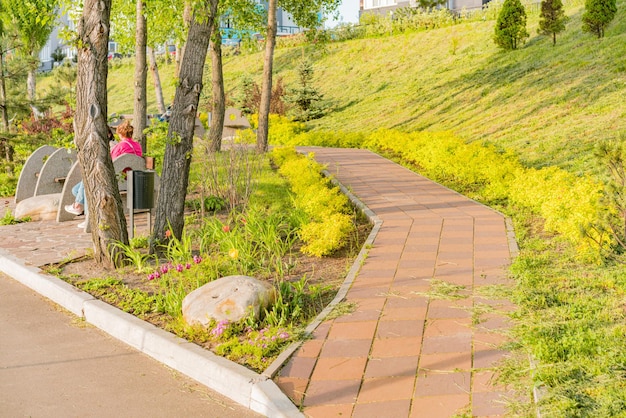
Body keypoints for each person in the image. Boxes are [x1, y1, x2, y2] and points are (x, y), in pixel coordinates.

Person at [65, 120, 143, 228]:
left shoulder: (120, 146)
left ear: (119, 133)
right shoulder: (137, 145)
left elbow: (110, 162)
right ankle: (80, 207)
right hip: (133, 178)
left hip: (120, 180)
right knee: (79, 188)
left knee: (89, 183)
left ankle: (85, 214)